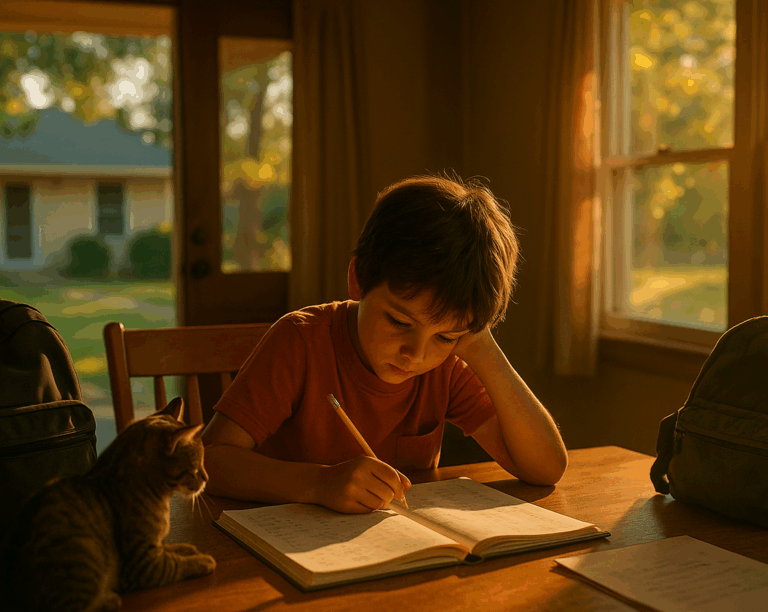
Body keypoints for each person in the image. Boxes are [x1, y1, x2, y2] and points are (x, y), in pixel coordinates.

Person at [201, 173, 568, 513]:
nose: (416, 354)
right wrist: (317, 484)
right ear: (358, 278)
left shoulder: (449, 362)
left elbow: (546, 468)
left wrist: (482, 349)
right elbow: (211, 459)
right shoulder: (301, 341)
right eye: (399, 321)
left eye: (445, 336)